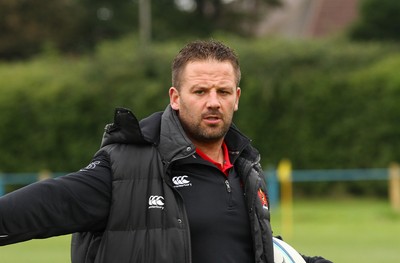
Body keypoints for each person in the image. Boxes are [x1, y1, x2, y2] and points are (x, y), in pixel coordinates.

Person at [0, 40, 332, 263]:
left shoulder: (246, 169)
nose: (213, 101)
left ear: (237, 97)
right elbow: (48, 204)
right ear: (175, 97)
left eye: (223, 91)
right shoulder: (128, 165)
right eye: (200, 91)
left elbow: (251, 247)